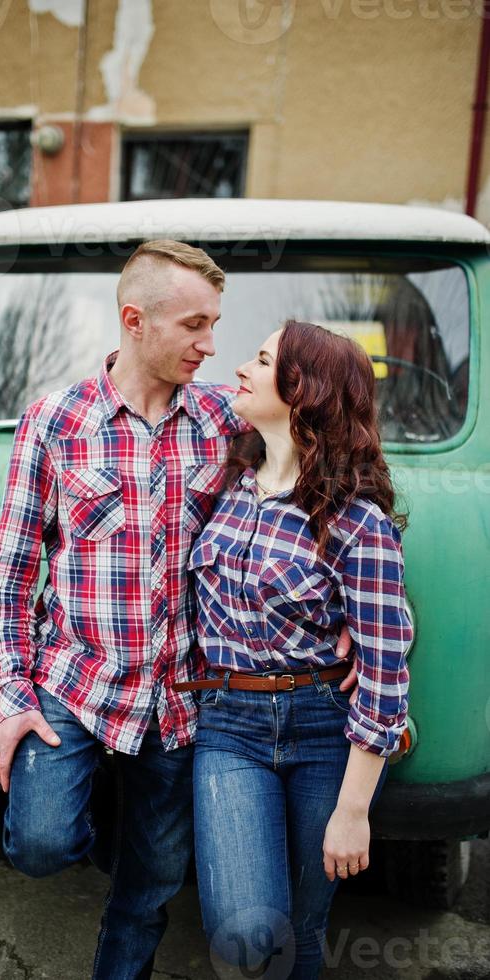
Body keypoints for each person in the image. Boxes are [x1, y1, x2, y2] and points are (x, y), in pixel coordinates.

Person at [0, 244, 354, 980]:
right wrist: (14, 696)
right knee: (40, 844)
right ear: (134, 321)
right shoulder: (55, 422)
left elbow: (338, 468)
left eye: (215, 325)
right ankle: (110, 818)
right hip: (78, 686)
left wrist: (349, 595)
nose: (211, 345)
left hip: (186, 701)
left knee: (151, 887)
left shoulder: (224, 418)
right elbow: (10, 572)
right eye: (194, 325)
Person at [174, 320, 413, 980]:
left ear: (303, 389)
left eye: (260, 359)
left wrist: (354, 812)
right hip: (228, 724)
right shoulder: (227, 483)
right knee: (248, 934)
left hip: (325, 733)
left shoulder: (354, 520)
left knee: (300, 929)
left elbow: (386, 671)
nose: (240, 369)